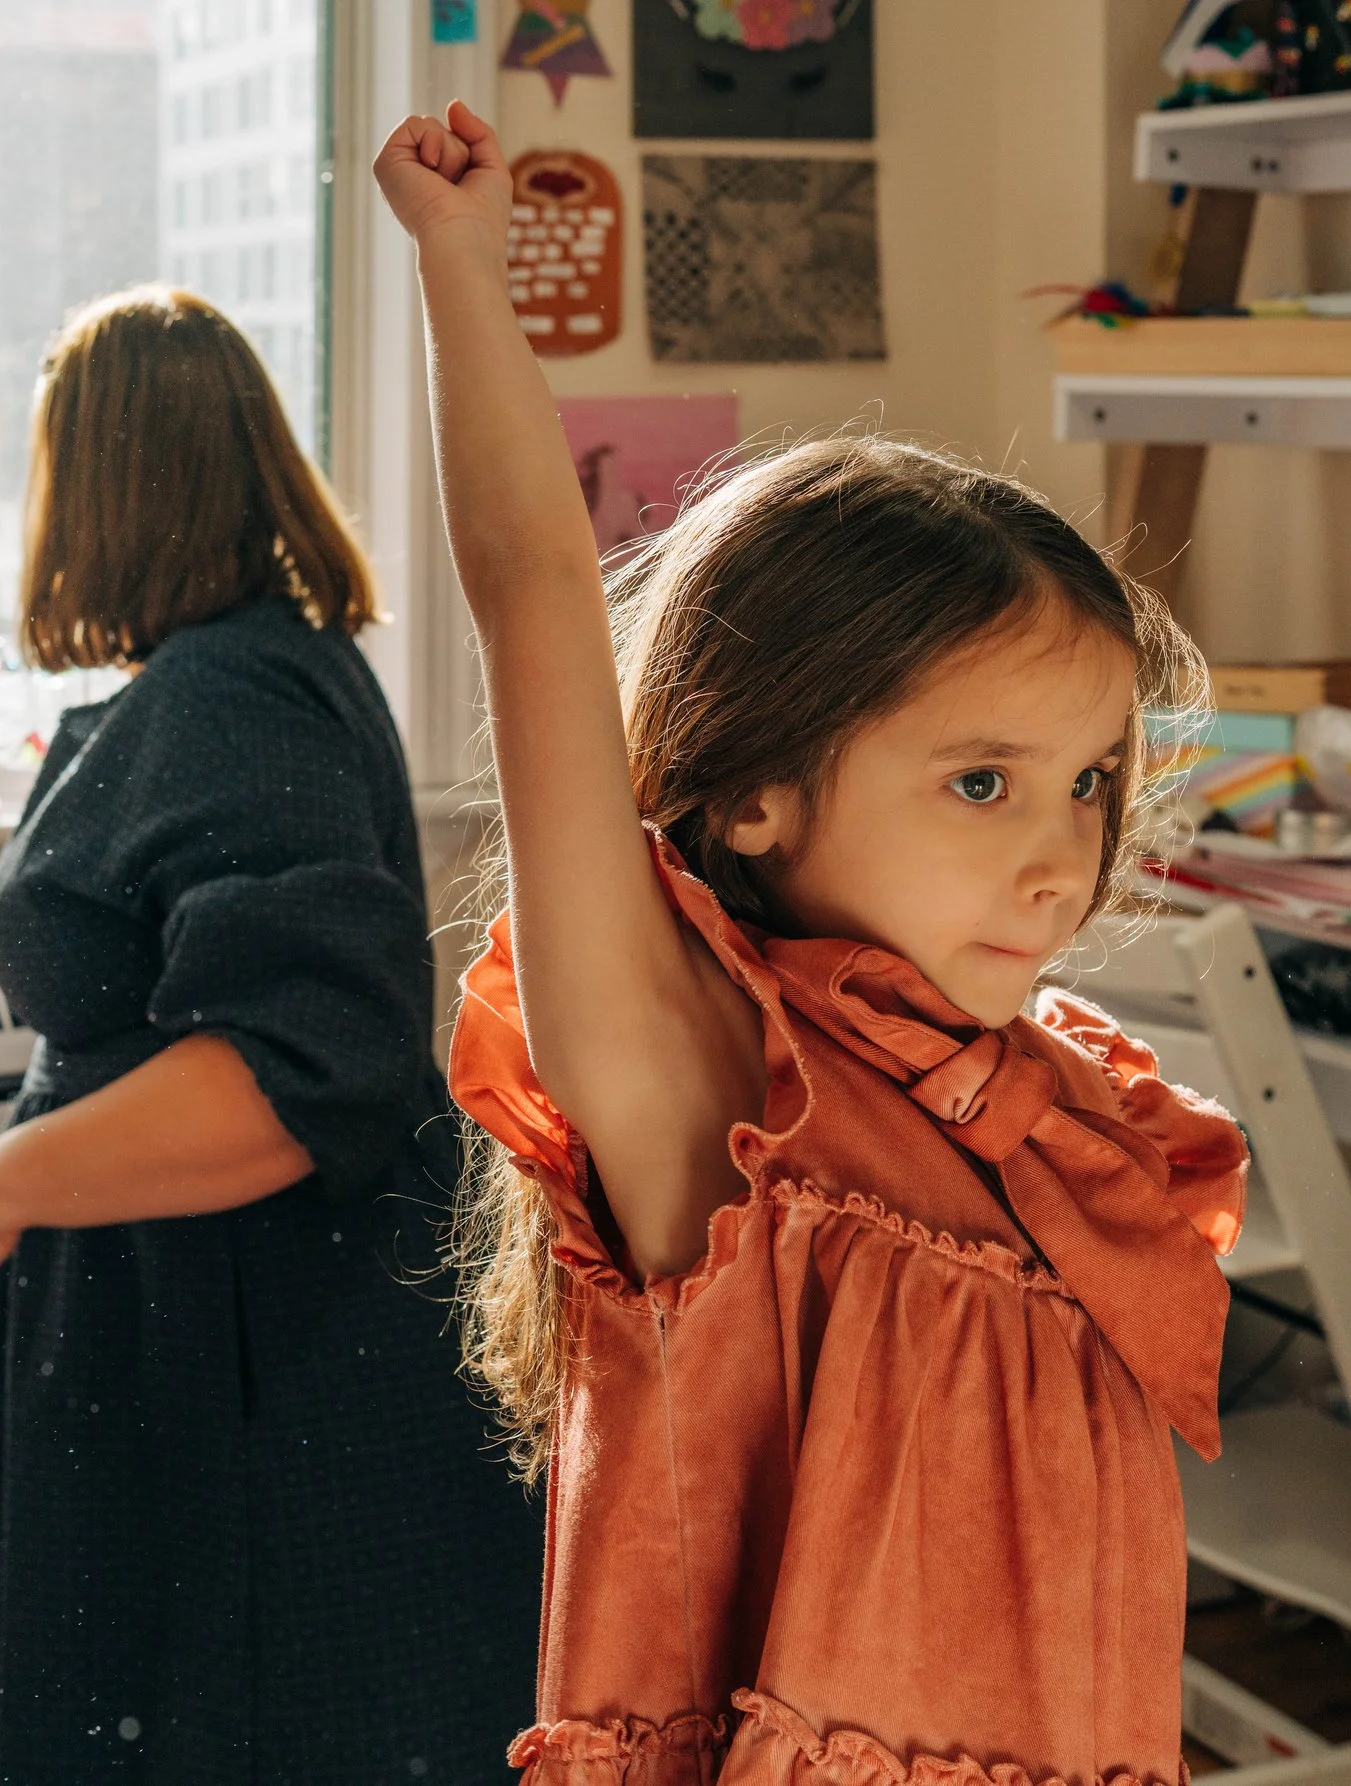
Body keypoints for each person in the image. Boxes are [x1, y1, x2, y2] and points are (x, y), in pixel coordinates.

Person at [375, 105, 1251, 1786]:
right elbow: (536, 597)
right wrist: (464, 270)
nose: (1065, 853)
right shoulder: (710, 1086)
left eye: (1088, 782)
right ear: (764, 791)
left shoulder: (1046, 1108)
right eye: (980, 782)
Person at [0, 286, 541, 1784]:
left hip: (256, 1355)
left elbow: (297, 1074)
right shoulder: (232, 678)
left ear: (105, 473)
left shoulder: (236, 690)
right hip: (204, 1337)